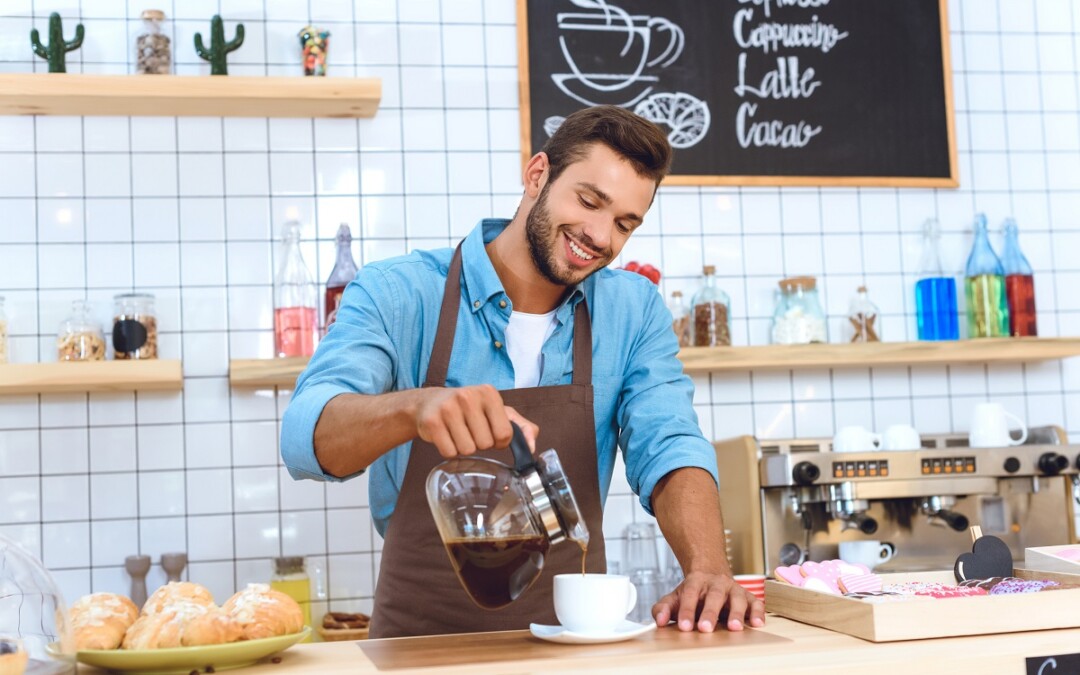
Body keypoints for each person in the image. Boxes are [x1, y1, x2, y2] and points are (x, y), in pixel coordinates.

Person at [280, 105, 764, 638]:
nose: (600, 236)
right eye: (589, 201)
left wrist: (707, 568)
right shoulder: (398, 292)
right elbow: (304, 437)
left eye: (624, 224)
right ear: (537, 175)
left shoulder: (633, 310)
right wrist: (414, 408)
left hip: (575, 647)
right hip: (417, 646)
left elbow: (669, 444)